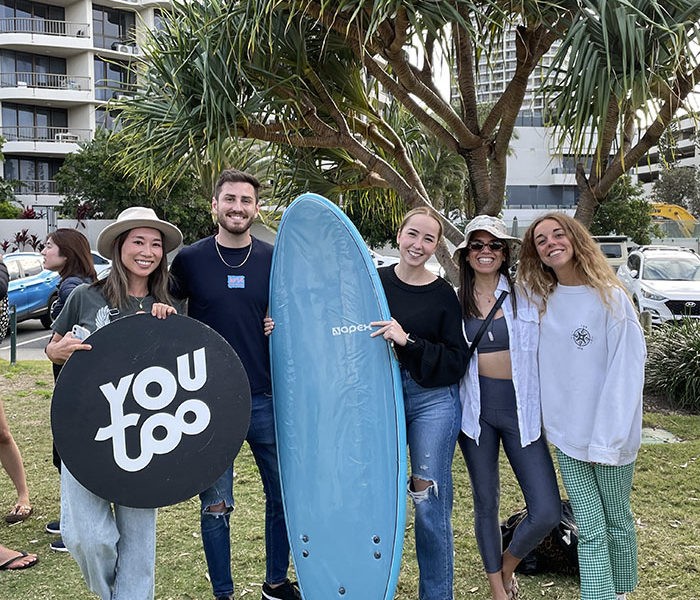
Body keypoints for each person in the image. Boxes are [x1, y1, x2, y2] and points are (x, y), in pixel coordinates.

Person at [169, 169, 299, 600]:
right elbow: (162, 308)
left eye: (246, 200)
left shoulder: (272, 257)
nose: (238, 207)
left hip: (265, 397)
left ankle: (276, 583)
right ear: (215, 205)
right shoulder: (189, 259)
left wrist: (277, 324)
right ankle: (222, 593)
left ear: (256, 208)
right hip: (208, 400)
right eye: (230, 199)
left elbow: (291, 315)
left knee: (283, 497)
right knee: (216, 506)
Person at [46, 206, 183, 600]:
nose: (148, 251)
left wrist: (171, 329)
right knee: (86, 537)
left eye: (156, 244)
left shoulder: (170, 304)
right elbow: (54, 348)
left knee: (139, 546)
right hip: (86, 430)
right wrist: (59, 352)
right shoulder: (86, 297)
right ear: (120, 247)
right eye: (138, 241)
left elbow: (182, 373)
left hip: (145, 436)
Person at [517, 212, 645, 600]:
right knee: (589, 526)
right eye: (541, 240)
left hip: (612, 436)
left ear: (575, 240)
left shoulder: (611, 297)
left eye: (558, 234)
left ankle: (620, 592)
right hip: (568, 436)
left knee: (617, 521)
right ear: (536, 252)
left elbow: (626, 370)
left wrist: (609, 437)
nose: (551, 243)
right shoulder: (540, 299)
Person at [454, 215, 561, 600]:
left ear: (505, 253)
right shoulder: (454, 300)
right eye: (478, 246)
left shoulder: (528, 293)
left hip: (522, 410)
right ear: (467, 255)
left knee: (546, 509)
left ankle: (507, 564)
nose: (486, 252)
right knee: (486, 501)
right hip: (476, 412)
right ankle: (498, 588)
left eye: (494, 245)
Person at [370, 207, 468, 600]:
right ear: (398, 235)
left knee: (428, 500)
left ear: (436, 246)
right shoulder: (372, 283)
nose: (419, 244)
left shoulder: (444, 295)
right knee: (375, 495)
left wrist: (407, 340)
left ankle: (437, 594)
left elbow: (456, 360)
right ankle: (370, 587)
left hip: (431, 400)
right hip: (379, 397)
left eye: (429, 239)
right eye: (413, 234)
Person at [41, 228, 98, 551]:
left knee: (70, 457)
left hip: (75, 391)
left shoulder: (72, 288)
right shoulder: (73, 285)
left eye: (50, 246)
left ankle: (74, 527)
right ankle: (69, 521)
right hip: (68, 386)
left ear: (67, 253)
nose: (44, 251)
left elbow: (73, 341)